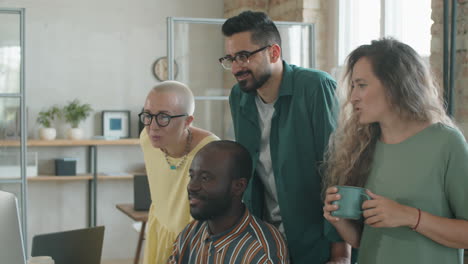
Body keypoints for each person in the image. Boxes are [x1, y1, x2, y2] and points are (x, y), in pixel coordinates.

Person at [322, 38, 468, 264]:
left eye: (361, 85)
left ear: (394, 85)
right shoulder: (361, 145)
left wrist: (410, 216)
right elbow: (364, 240)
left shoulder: (446, 143)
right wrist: (339, 220)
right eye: (352, 86)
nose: (353, 97)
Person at [220, 11, 349, 263]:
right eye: (231, 58)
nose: (236, 68)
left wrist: (340, 251)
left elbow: (339, 170)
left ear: (274, 53)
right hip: (264, 240)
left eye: (244, 56)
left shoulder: (315, 87)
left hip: (315, 241)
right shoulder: (239, 96)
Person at [168, 140, 290, 264]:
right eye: (192, 176)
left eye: (205, 178)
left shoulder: (261, 253)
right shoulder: (190, 233)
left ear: (238, 186)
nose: (191, 186)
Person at [139, 81, 218, 264]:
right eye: (148, 115)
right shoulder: (147, 139)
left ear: (188, 121)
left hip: (196, 241)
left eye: (164, 117)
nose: (153, 127)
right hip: (160, 230)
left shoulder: (210, 153)